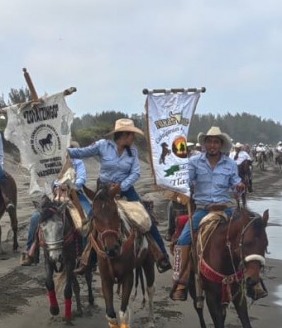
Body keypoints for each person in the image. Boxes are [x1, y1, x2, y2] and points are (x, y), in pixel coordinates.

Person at [67, 118, 171, 273]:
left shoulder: (133, 151)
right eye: (132, 135)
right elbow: (81, 153)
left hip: (126, 189)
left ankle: (161, 256)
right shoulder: (103, 145)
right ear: (124, 135)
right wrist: (62, 151)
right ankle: (86, 259)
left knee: (147, 218)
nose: (133, 138)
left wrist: (122, 186)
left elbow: (135, 172)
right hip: (103, 191)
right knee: (89, 222)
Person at [170, 126, 246, 301]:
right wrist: (182, 189)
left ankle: (251, 279)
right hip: (203, 210)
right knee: (183, 239)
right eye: (209, 142)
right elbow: (186, 181)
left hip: (225, 209)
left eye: (216, 142)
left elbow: (236, 182)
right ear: (204, 144)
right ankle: (180, 281)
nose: (212, 145)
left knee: (246, 235)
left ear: (221, 144)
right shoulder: (194, 162)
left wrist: (239, 187)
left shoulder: (231, 164)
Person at [21, 150, 89, 266]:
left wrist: (69, 185)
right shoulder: (52, 161)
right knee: (36, 217)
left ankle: (86, 254)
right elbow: (46, 180)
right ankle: (30, 251)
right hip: (54, 195)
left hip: (74, 195)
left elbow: (81, 179)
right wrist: (56, 186)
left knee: (89, 214)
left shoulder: (78, 162)